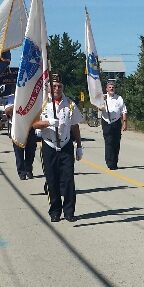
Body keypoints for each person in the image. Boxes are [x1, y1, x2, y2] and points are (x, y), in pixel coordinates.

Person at [34, 75, 83, 222]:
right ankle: (55, 211)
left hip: (66, 144)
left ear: (63, 87)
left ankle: (69, 211)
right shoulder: (42, 104)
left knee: (68, 180)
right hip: (49, 145)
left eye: (59, 86)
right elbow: (34, 124)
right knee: (52, 180)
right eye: (54, 86)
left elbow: (75, 126)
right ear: (49, 87)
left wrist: (79, 146)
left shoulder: (70, 104)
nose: (56, 89)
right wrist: (47, 122)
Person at [4, 98, 37, 180]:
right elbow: (7, 111)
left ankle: (28, 169)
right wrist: (18, 103)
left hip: (30, 127)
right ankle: (21, 172)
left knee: (31, 150)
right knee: (18, 151)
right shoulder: (12, 98)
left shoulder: (32, 95)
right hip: (17, 128)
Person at [101, 79, 127, 170]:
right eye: (110, 87)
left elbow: (124, 111)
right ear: (106, 89)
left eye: (113, 87)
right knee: (109, 142)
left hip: (116, 122)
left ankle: (115, 162)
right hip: (106, 122)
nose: (111, 89)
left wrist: (124, 123)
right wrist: (102, 102)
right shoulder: (103, 97)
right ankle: (109, 162)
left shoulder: (119, 98)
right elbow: (99, 108)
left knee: (116, 142)